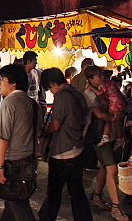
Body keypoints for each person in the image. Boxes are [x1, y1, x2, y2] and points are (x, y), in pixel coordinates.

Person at [38, 67, 92, 221]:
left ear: (53, 83)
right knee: (76, 189)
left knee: (54, 190)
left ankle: (46, 218)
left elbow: (55, 125)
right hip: (78, 146)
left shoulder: (62, 97)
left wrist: (45, 130)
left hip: (63, 150)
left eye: (49, 88)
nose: (51, 91)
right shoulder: (77, 93)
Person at [83, 65, 129, 221]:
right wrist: (114, 117)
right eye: (96, 76)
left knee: (105, 166)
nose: (100, 77)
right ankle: (116, 207)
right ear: (90, 79)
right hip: (98, 135)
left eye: (100, 74)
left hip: (109, 133)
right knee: (111, 168)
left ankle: (97, 195)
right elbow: (99, 114)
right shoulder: (89, 93)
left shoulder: (104, 88)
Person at [0, 64, 39, 221]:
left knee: (19, 205)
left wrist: (0, 166)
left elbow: (3, 137)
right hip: (29, 159)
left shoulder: (8, 103)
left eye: (3, 79)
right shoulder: (32, 103)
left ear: (13, 83)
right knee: (14, 201)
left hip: (14, 162)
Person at [23, 51, 47, 115]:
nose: (36, 63)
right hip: (25, 107)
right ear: (28, 61)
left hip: (35, 106)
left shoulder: (37, 73)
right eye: (34, 61)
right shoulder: (21, 74)